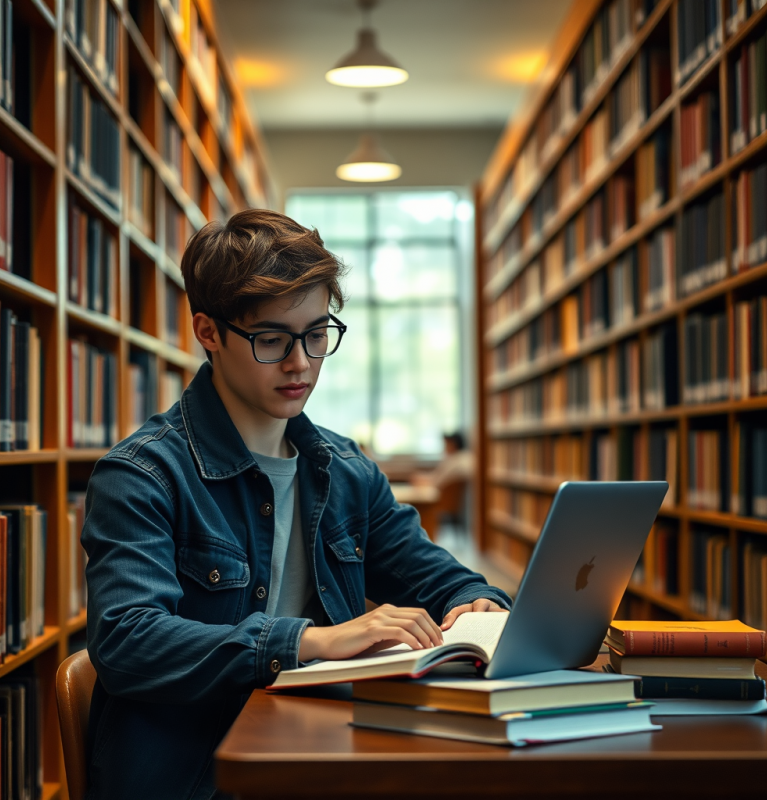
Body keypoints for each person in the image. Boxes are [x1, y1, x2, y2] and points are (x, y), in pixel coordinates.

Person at [81, 209, 512, 800]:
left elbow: (440, 579)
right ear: (209, 332)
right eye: (272, 339)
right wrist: (309, 641)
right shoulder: (142, 474)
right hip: (195, 776)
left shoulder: (347, 471)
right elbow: (128, 641)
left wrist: (477, 606)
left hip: (316, 754)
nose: (301, 363)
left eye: (316, 334)